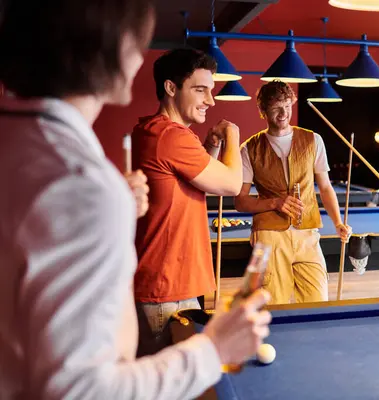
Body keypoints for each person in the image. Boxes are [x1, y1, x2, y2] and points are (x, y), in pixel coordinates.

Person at [0, 1, 270, 399]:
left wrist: (118, 208)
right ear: (114, 50)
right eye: (139, 39)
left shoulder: (20, 145)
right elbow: (80, 390)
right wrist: (215, 350)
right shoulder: (84, 181)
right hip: (166, 289)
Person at [131, 48, 245, 355]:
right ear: (171, 88)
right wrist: (232, 135)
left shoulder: (154, 131)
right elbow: (232, 184)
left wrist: (210, 145)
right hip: (167, 288)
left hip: (167, 285)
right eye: (200, 90)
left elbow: (193, 186)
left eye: (211, 91)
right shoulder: (171, 136)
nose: (210, 100)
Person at [234, 80, 352, 304]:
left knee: (318, 300)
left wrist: (337, 222)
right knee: (273, 304)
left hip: (307, 233)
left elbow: (325, 187)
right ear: (262, 111)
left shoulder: (313, 140)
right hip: (270, 236)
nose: (283, 113)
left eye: (287, 106)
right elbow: (240, 201)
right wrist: (275, 203)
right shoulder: (249, 149)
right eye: (276, 107)